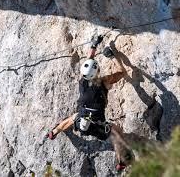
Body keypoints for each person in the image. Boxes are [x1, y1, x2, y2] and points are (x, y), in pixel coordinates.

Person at [46, 36, 133, 171]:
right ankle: (121, 161)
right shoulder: (105, 81)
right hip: (98, 126)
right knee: (117, 132)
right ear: (97, 71)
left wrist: (93, 45)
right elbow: (123, 72)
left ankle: (54, 131)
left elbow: (89, 61)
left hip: (83, 122)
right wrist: (112, 56)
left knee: (73, 118)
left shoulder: (83, 80)